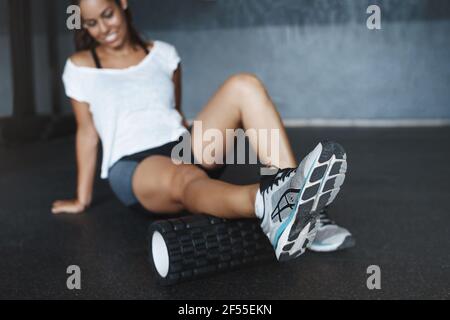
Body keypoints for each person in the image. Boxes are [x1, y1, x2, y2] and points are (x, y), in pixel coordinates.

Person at [52, 0, 354, 261]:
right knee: (185, 177)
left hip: (179, 143)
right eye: (92, 23)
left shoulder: (164, 54)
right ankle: (272, 207)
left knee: (244, 85)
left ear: (122, 4)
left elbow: (175, 113)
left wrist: (202, 140)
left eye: (107, 14)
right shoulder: (80, 67)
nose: (104, 28)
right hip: (134, 163)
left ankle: (298, 204)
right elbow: (87, 133)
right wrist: (82, 199)